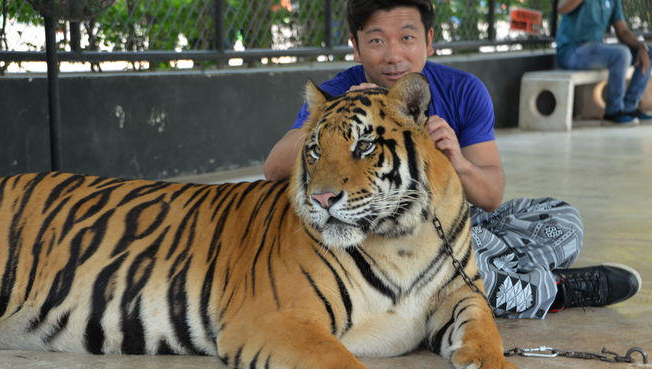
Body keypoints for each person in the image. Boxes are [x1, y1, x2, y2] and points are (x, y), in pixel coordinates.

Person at [264, 0, 642, 319]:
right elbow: (273, 167)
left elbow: (491, 196)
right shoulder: (338, 94)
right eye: (377, 41)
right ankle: (552, 292)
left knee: (564, 221)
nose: (394, 55)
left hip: (461, 222)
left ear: (429, 41)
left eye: (407, 38)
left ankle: (483, 280)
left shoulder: (463, 90)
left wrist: (458, 162)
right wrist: (342, 120)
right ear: (356, 46)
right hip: (384, 234)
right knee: (432, 252)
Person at [556, 0, 652, 125]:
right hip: (571, 51)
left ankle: (629, 107)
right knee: (620, 54)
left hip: (595, 50)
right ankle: (613, 111)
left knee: (648, 52)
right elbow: (561, 8)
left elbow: (622, 31)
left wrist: (640, 46)